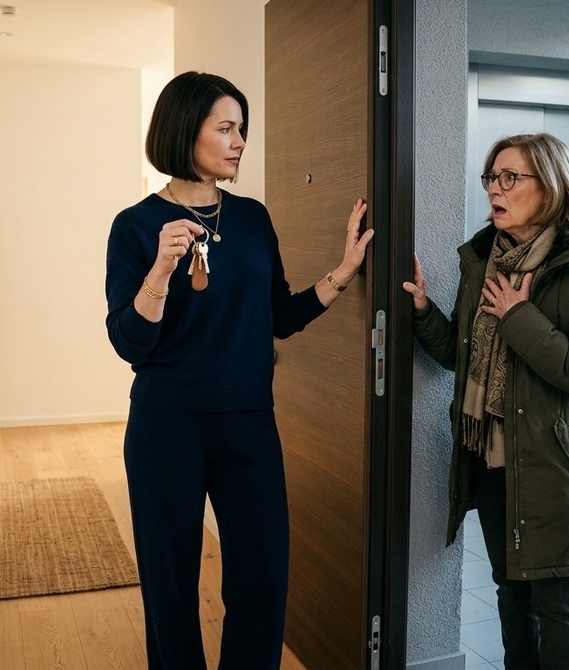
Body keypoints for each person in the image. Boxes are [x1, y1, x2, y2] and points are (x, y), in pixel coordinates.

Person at [104, 71, 373, 670]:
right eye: (225, 128)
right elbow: (129, 341)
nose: (240, 142)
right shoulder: (135, 225)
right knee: (170, 586)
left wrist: (344, 271)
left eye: (241, 129)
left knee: (262, 579)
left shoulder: (252, 218)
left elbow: (279, 317)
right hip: (166, 426)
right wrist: (159, 273)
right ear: (185, 131)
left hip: (248, 421)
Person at [404, 133, 569, 669]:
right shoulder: (485, 259)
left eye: (510, 178)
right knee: (510, 592)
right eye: (491, 177)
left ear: (551, 185)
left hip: (557, 466)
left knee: (557, 603)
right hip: (492, 459)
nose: (494, 190)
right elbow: (461, 355)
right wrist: (421, 310)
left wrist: (519, 317)